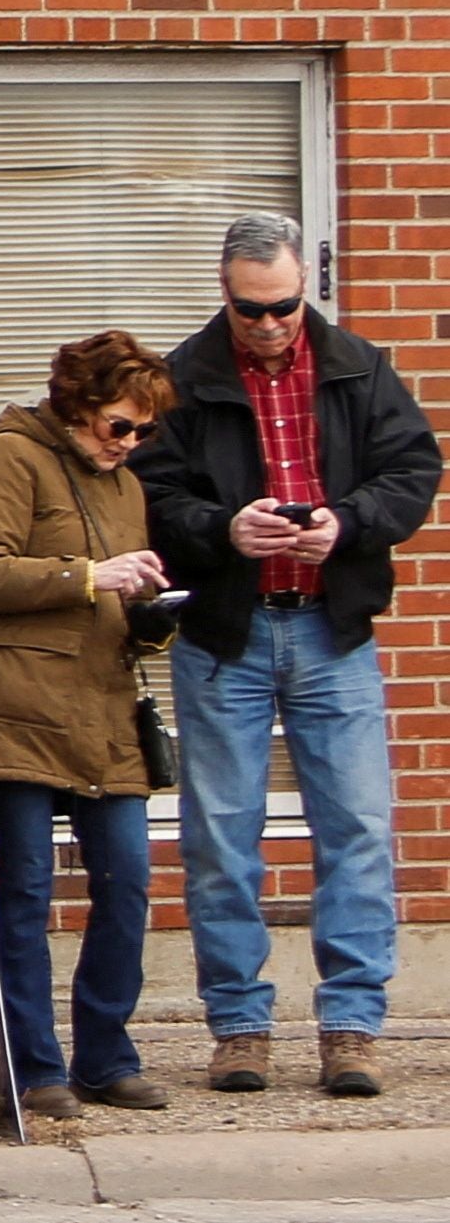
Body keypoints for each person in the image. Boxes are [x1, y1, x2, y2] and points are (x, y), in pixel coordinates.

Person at [135, 210, 439, 1100]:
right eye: (250, 308)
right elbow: (149, 493)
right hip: (225, 634)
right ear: (223, 292)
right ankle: (239, 1026)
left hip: (330, 627)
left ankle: (352, 1025)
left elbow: (412, 471)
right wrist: (225, 529)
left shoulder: (356, 365)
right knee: (221, 837)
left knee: (357, 829)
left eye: (283, 306)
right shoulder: (184, 377)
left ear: (305, 285)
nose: (268, 325)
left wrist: (344, 525)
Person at [0, 329, 175, 1117]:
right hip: (19, 706)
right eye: (120, 424)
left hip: (102, 708)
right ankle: (34, 1066)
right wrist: (90, 575)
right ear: (77, 404)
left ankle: (107, 1055)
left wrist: (147, 602)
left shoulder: (125, 486)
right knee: (28, 890)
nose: (131, 442)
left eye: (145, 430)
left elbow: (117, 593)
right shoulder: (6, 459)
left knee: (127, 882)